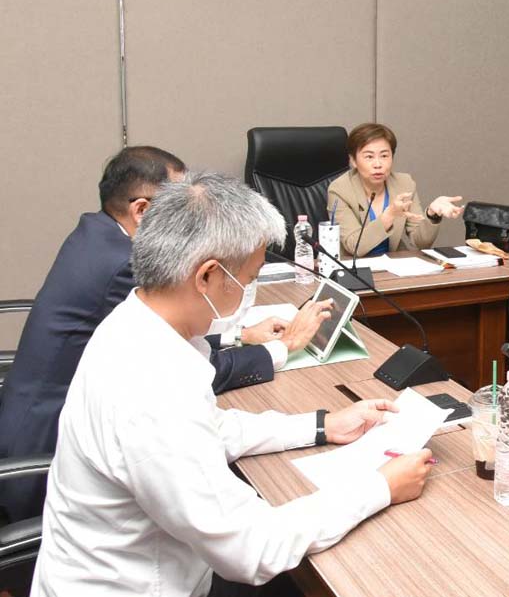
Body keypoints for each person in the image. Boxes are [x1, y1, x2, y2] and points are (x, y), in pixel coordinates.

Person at [30, 173, 432, 596]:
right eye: (250, 278)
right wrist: (380, 487)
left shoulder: (138, 323)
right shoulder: (152, 387)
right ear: (206, 276)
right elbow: (252, 549)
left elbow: (209, 428)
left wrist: (321, 425)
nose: (249, 291)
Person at [0, 147, 330, 523]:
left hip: (37, 418)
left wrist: (240, 336)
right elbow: (196, 369)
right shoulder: (123, 268)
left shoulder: (96, 235)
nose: (188, 212)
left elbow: (178, 342)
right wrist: (281, 348)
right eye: (177, 200)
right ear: (142, 210)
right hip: (43, 451)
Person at [327, 123, 463, 258]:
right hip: (356, 266)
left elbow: (421, 242)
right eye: (369, 157)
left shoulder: (404, 184)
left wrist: (432, 214)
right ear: (353, 161)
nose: (378, 164)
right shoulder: (340, 190)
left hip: (394, 265)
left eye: (384, 156)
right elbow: (353, 246)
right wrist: (389, 216)